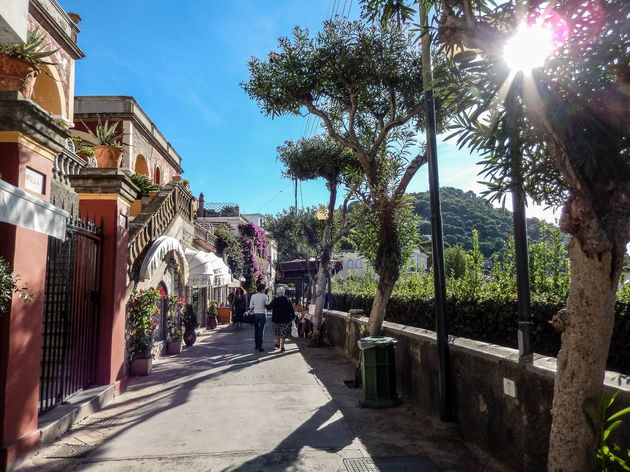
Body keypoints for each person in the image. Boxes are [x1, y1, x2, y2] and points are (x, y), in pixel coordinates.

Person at [265, 287, 295, 352]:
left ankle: (278, 344)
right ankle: (282, 346)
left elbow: (269, 307)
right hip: (286, 320)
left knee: (278, 332)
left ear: (278, 293)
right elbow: (292, 310)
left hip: (276, 319)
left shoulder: (275, 300)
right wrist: (293, 317)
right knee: (284, 333)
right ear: (284, 293)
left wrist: (264, 305)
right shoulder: (288, 300)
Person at [249, 283, 268, 352]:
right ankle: (260, 346)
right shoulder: (265, 296)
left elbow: (250, 306)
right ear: (262, 289)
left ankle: (256, 345)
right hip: (263, 314)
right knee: (261, 330)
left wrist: (256, 306)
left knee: (256, 330)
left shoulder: (253, 296)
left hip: (255, 314)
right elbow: (266, 306)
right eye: (264, 289)